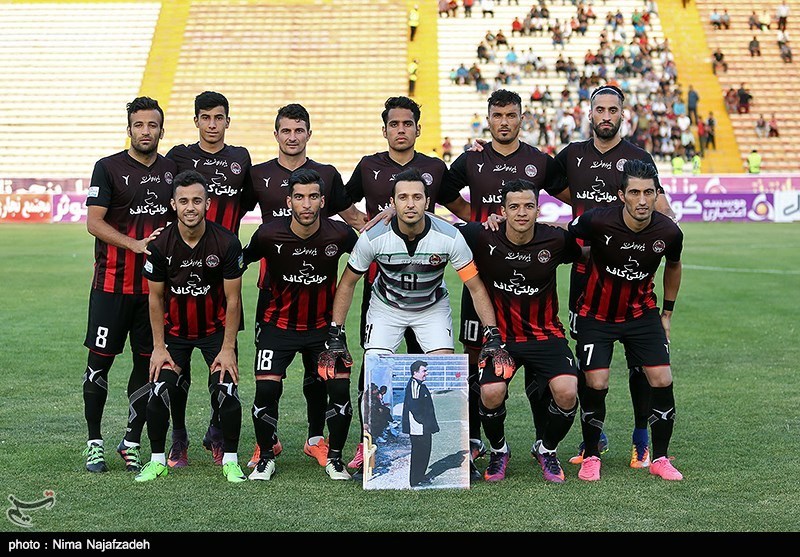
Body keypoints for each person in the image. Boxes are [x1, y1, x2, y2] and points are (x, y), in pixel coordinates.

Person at [320, 167, 512, 480]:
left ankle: (453, 451)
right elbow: (348, 283)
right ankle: (373, 454)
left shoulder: (449, 236)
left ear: (427, 201)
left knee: (443, 376)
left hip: (431, 307)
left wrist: (492, 335)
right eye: (403, 197)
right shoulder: (373, 236)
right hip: (387, 308)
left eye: (417, 197)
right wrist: (335, 333)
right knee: (375, 373)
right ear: (392, 203)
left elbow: (476, 287)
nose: (410, 203)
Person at [547, 85, 675, 470]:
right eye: (599, 109)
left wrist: (660, 225)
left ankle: (641, 437)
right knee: (590, 363)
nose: (606, 116)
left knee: (640, 365)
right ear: (590, 114)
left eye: (612, 110)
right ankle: (595, 438)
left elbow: (661, 207)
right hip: (585, 275)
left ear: (623, 114)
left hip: (630, 276)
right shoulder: (572, 154)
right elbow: (545, 181)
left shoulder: (638, 157)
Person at [436, 89, 559, 478]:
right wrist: (475, 220)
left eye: (511, 115)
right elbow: (443, 192)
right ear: (487, 119)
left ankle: (543, 442)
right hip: (481, 277)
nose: (504, 122)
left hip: (525, 277)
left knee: (538, 363)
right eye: (497, 115)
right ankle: (474, 439)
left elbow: (572, 195)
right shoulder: (472, 158)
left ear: (522, 118)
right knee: (476, 358)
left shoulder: (539, 160)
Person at [241, 103, 365, 470]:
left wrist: (384, 221)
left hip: (319, 298)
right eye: (286, 130)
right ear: (276, 134)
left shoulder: (326, 174)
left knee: (318, 375)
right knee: (268, 379)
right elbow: (231, 213)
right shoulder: (258, 174)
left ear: (309, 133)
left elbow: (352, 218)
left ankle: (316, 440)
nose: (292, 137)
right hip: (273, 292)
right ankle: (267, 443)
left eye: (299, 130)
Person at [344, 96, 456, 473]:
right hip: (382, 286)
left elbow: (459, 205)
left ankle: (436, 442)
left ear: (418, 129)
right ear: (385, 130)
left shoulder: (435, 167)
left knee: (428, 368)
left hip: (426, 286)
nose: (401, 130)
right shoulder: (368, 166)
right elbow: (341, 201)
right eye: (394, 124)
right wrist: (362, 223)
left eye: (407, 123)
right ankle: (368, 440)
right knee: (375, 366)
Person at [568, 159, 684, 482]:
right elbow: (564, 240)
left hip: (641, 313)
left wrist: (667, 313)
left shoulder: (668, 231)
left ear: (657, 194)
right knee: (596, 382)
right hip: (596, 314)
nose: (642, 200)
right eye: (635, 192)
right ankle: (592, 455)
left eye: (649, 192)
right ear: (621, 195)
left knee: (662, 378)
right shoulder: (597, 220)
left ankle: (660, 458)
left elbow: (674, 266)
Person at [458, 180, 581, 483]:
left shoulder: (556, 239)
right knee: (490, 392)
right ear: (502, 211)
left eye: (528, 206)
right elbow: (435, 227)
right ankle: (499, 450)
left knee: (567, 392)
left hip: (546, 335)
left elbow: (589, 250)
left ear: (538, 209)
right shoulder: (482, 235)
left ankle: (546, 449)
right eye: (514, 207)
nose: (521, 212)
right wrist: (394, 211)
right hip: (502, 339)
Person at [81, 96, 177, 473]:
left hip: (152, 291)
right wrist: (134, 245)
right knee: (98, 365)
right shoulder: (107, 168)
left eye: (152, 125)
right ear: (129, 129)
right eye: (139, 125)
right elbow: (94, 222)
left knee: (146, 365)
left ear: (161, 130)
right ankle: (94, 443)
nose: (145, 131)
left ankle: (131, 441)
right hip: (111, 286)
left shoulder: (172, 170)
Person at [137, 170, 246, 483]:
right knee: (160, 388)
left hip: (215, 331)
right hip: (175, 333)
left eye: (197, 200)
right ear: (173, 204)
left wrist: (228, 348)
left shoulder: (226, 242)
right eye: (183, 201)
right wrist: (158, 347)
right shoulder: (161, 244)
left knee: (226, 389)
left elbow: (233, 299)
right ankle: (158, 460)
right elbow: (155, 298)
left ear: (207, 204)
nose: (190, 207)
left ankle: (231, 460)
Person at [164, 90, 253, 468]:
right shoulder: (178, 157)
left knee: (224, 364)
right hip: (182, 276)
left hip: (225, 274)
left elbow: (250, 202)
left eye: (219, 117)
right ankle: (178, 437)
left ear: (228, 121)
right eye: (206, 117)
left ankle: (217, 431)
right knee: (176, 371)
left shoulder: (240, 158)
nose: (212, 124)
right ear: (196, 120)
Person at [402, 360, 440, 487]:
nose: (426, 373)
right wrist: (424, 422)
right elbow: (414, 407)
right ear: (415, 372)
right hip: (418, 428)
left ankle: (420, 476)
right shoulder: (414, 385)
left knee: (424, 451)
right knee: (419, 453)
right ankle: (415, 480)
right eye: (424, 371)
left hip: (423, 426)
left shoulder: (419, 385)